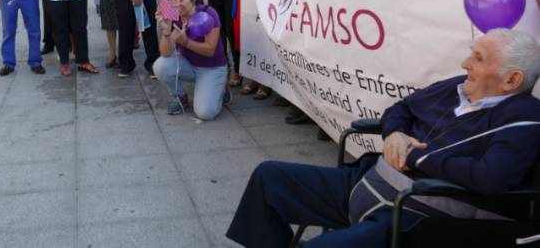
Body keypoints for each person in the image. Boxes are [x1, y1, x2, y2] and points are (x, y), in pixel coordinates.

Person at [227, 29, 540, 248]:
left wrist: (415, 156)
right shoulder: (457, 86)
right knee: (270, 178)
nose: (465, 63)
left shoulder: (523, 116)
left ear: (512, 80)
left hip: (415, 215)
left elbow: (492, 177)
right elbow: (400, 109)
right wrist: (395, 134)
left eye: (479, 58)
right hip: (368, 183)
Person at [154, 0, 230, 119]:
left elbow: (210, 50)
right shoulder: (171, 12)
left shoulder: (207, 13)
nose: (177, 4)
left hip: (212, 67)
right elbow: (165, 53)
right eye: (173, 0)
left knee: (205, 113)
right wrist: (166, 32)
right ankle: (180, 96)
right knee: (160, 65)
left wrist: (186, 42)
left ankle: (221, 89)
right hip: (188, 64)